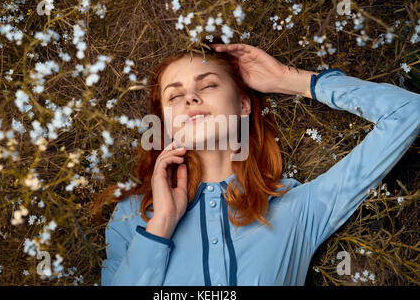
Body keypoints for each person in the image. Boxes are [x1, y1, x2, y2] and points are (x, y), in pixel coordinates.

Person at [93, 38, 420, 286]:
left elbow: (407, 113)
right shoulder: (132, 216)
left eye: (207, 85)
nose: (190, 98)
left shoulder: (297, 209)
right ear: (164, 122)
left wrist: (287, 79)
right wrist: (161, 224)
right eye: (174, 96)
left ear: (244, 106)